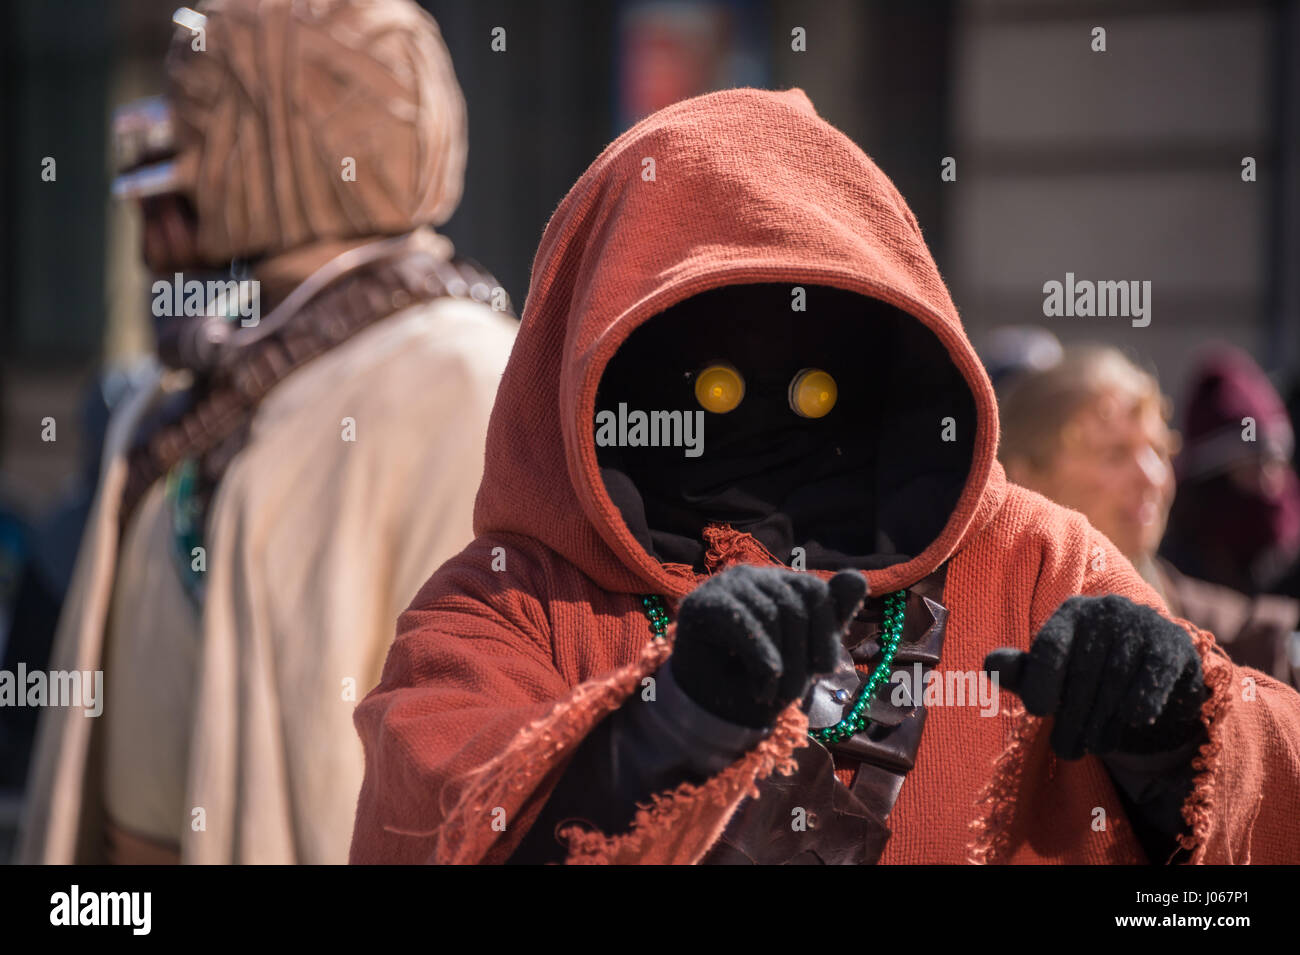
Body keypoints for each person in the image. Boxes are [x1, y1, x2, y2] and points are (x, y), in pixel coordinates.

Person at [350, 88, 1300, 865]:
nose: (757, 413)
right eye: (707, 377)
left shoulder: (1035, 565)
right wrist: (662, 734)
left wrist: (1182, 737)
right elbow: (432, 820)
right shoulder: (510, 609)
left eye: (813, 377)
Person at [19, 0, 517, 864]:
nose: (164, 157)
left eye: (199, 116)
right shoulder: (192, 383)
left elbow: (468, 754)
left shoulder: (457, 375)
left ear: (289, 134)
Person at [1000, 345, 1299, 689]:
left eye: (1158, 450)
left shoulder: (1241, 643)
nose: (1152, 476)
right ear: (1026, 477)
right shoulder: (967, 628)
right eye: (1115, 455)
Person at [1161, 346, 1300, 598]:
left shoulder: (1290, 559)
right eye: (1251, 466)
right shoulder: (1173, 569)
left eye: (1275, 463)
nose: (1268, 483)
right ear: (1215, 478)